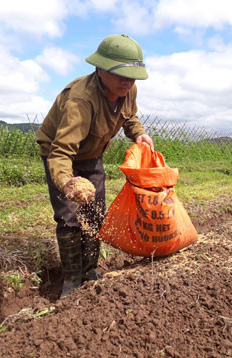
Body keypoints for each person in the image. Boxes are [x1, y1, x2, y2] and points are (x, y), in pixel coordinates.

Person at [36, 34, 154, 298]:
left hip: (92, 154)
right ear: (100, 69)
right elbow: (60, 152)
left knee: (95, 212)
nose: (128, 81)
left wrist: (138, 133)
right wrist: (67, 182)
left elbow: (130, 116)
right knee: (69, 217)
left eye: (132, 76)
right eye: (121, 74)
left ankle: (89, 271)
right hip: (62, 155)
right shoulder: (81, 101)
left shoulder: (128, 90)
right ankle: (71, 281)